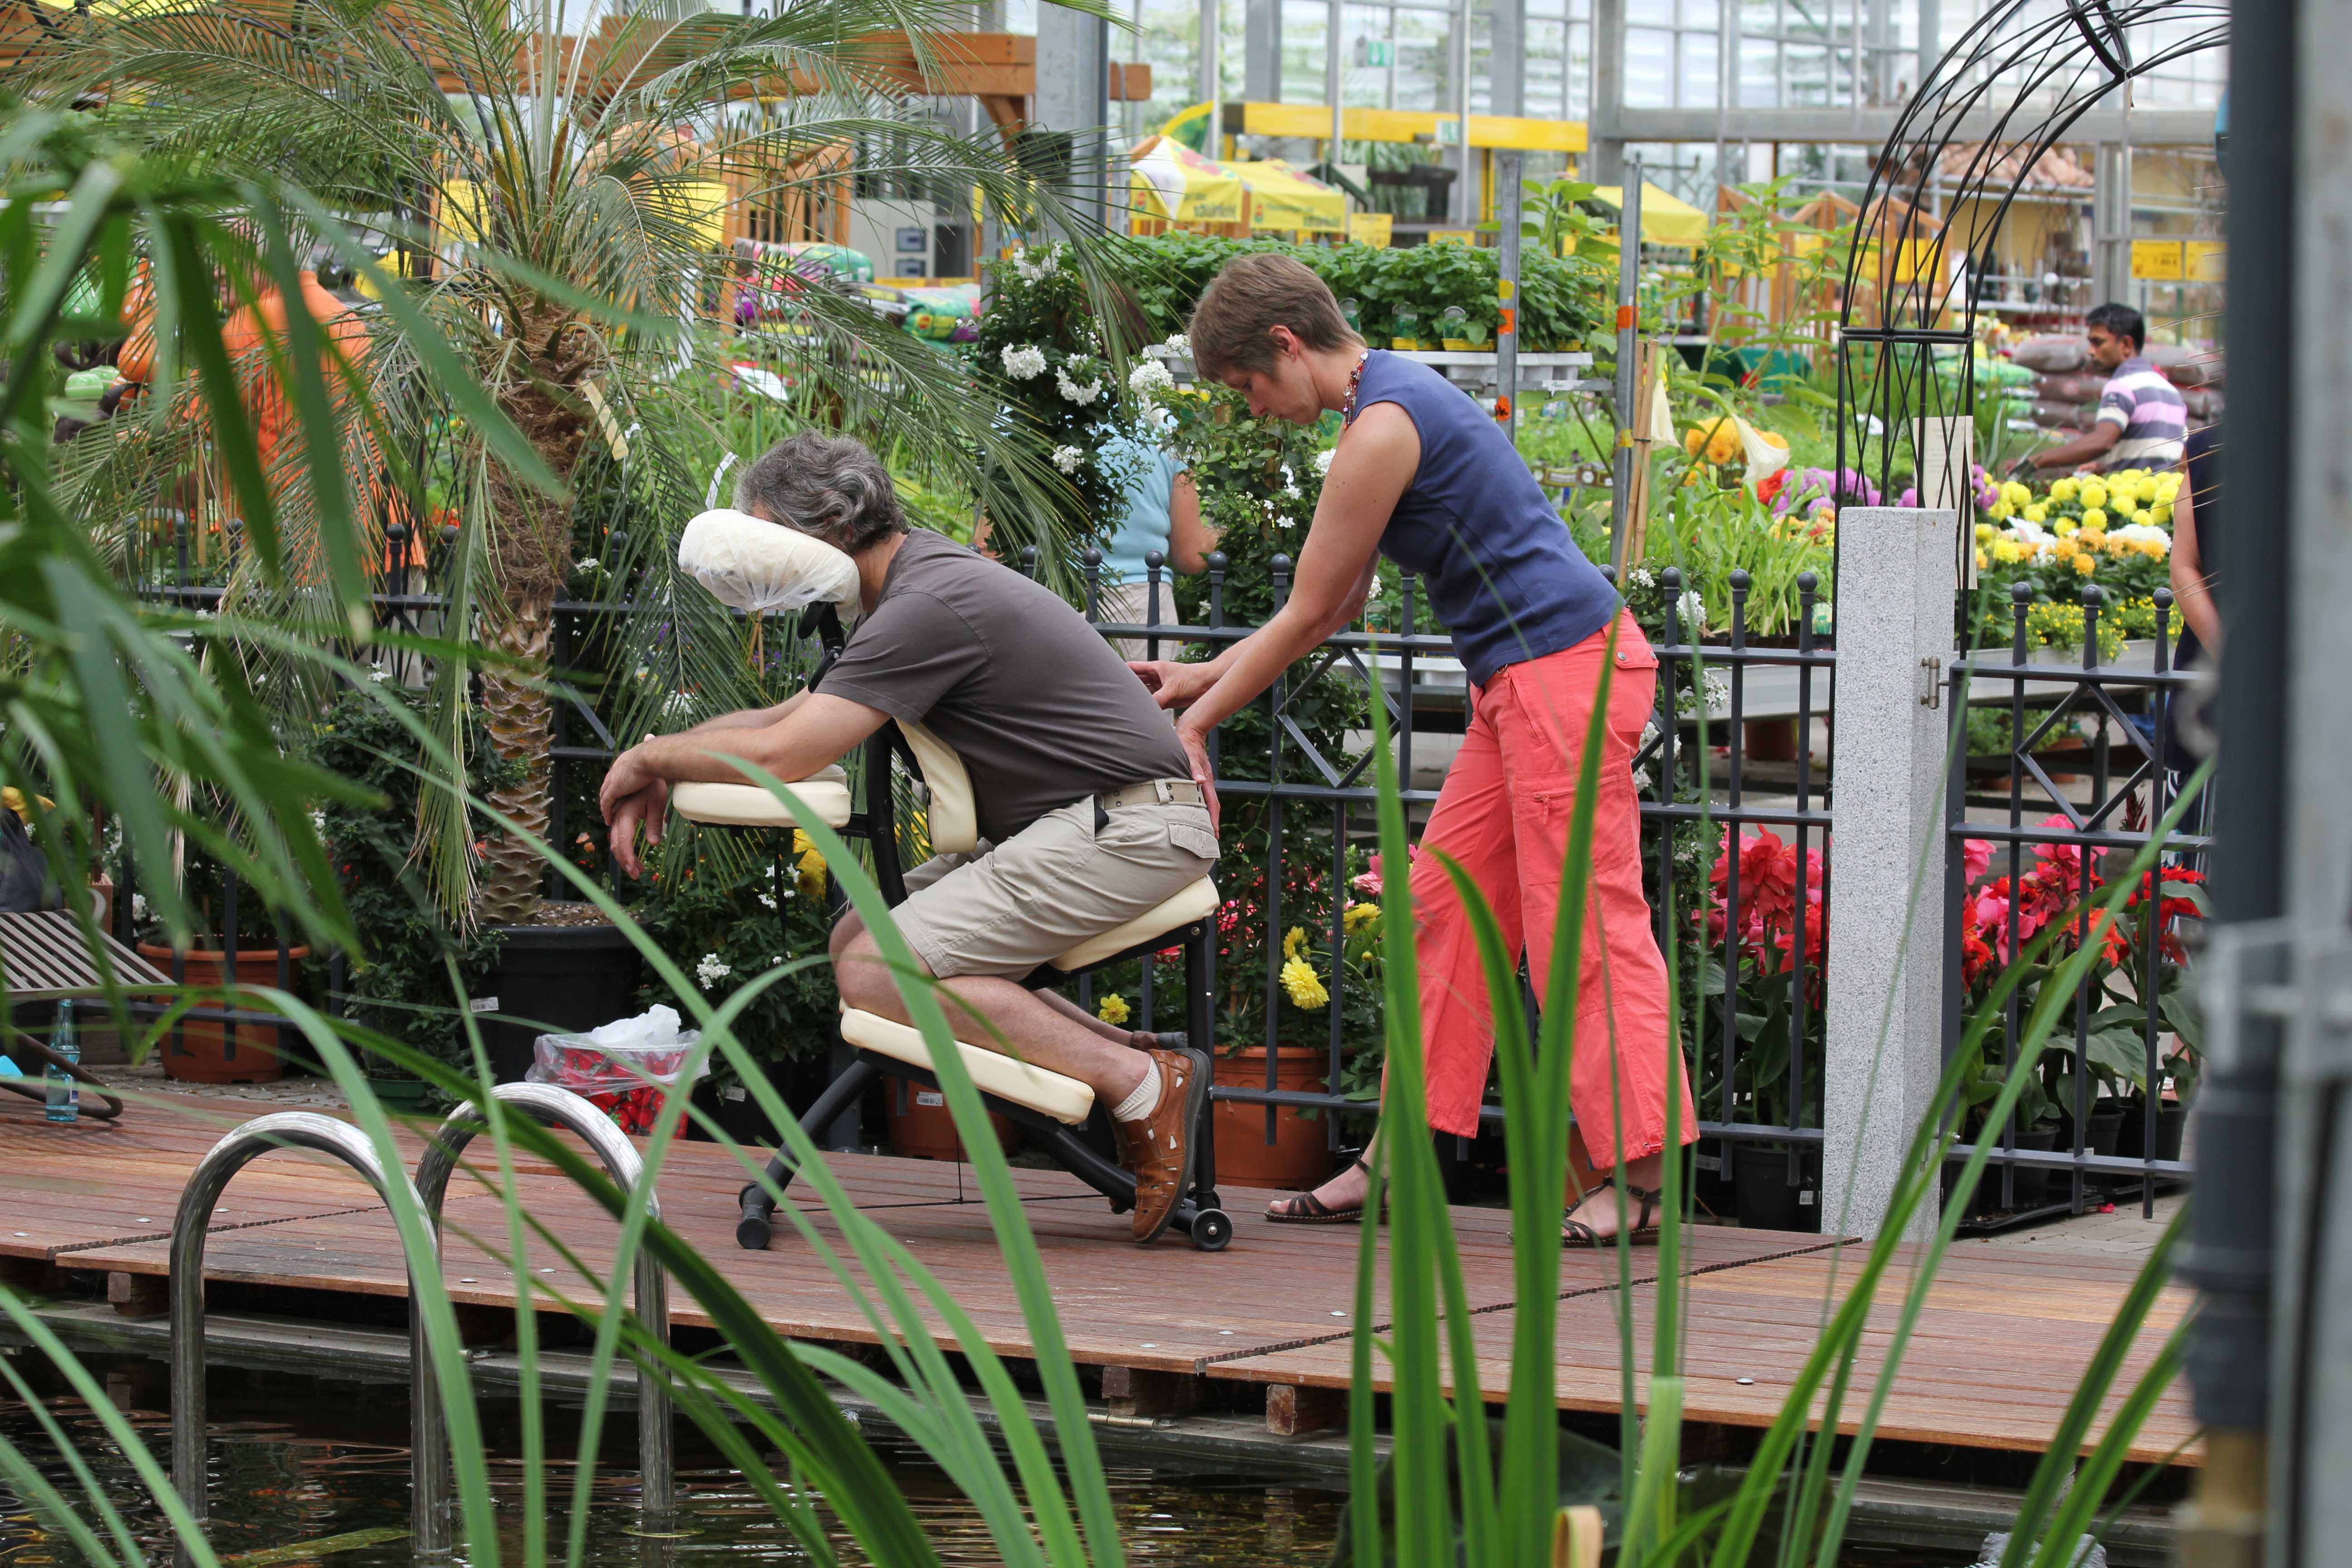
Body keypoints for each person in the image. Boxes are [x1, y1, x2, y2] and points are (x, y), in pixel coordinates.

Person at [1131, 254, 1692, 1243]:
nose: (1255, 407)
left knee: (1583, 927)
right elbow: (1337, 604)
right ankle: (1398, 1158)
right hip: (1521, 682)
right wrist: (1198, 680)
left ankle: (1640, 1179)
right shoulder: (1383, 407)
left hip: (1566, 675)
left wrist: (1198, 722)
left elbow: (1310, 615)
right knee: (1446, 909)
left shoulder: (1382, 427)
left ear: (1286, 344)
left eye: (1248, 386)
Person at [598, 431, 1220, 1245]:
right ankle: (1126, 1053)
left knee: (876, 967)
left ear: (825, 521)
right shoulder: (907, 588)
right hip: (1100, 820)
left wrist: (651, 756)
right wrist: (659, 763)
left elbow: (789, 754)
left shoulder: (926, 602)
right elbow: (786, 719)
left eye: (764, 536)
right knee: (857, 937)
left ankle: (1135, 1080)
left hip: (1132, 827)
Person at [1093, 428, 1217, 658]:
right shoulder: (1164, 428)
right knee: (1142, 693)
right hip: (1142, 604)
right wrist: (1226, 535)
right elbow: (1192, 555)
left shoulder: (1026, 411)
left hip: (1049, 594)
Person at [2024, 303, 2187, 475]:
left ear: (2126, 345)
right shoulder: (2171, 392)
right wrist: (2107, 467)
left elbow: (2103, 441)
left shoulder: (2122, 386)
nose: (2091, 351)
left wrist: (2036, 460)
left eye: (2098, 342)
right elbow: (2161, 455)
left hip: (2133, 497)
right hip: (2166, 494)